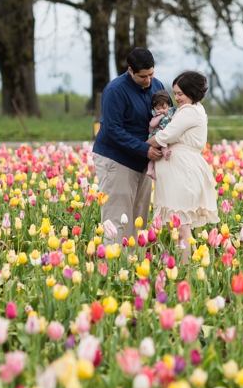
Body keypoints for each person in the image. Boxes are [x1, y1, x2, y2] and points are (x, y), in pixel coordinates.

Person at [93, 48, 167, 243]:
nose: (149, 80)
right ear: (131, 71)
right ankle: (114, 268)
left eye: (151, 74)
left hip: (144, 160)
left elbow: (166, 116)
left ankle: (133, 268)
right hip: (117, 158)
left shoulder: (157, 85)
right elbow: (112, 130)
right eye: (143, 76)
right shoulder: (115, 90)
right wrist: (145, 149)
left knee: (138, 219)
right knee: (117, 218)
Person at [148, 71, 220, 249]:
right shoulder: (189, 110)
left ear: (193, 92)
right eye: (175, 93)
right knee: (174, 226)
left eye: (180, 94)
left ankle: (189, 271)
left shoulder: (189, 111)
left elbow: (166, 135)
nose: (176, 98)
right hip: (175, 172)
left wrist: (140, 146)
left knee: (181, 227)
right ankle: (183, 269)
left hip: (181, 171)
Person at [145, 92, 176, 181]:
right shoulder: (155, 116)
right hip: (157, 134)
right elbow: (152, 124)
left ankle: (165, 154)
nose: (161, 110)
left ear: (169, 106)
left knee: (160, 150)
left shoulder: (171, 113)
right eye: (158, 109)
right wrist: (159, 117)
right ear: (154, 109)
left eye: (164, 108)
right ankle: (150, 170)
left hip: (166, 134)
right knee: (161, 147)